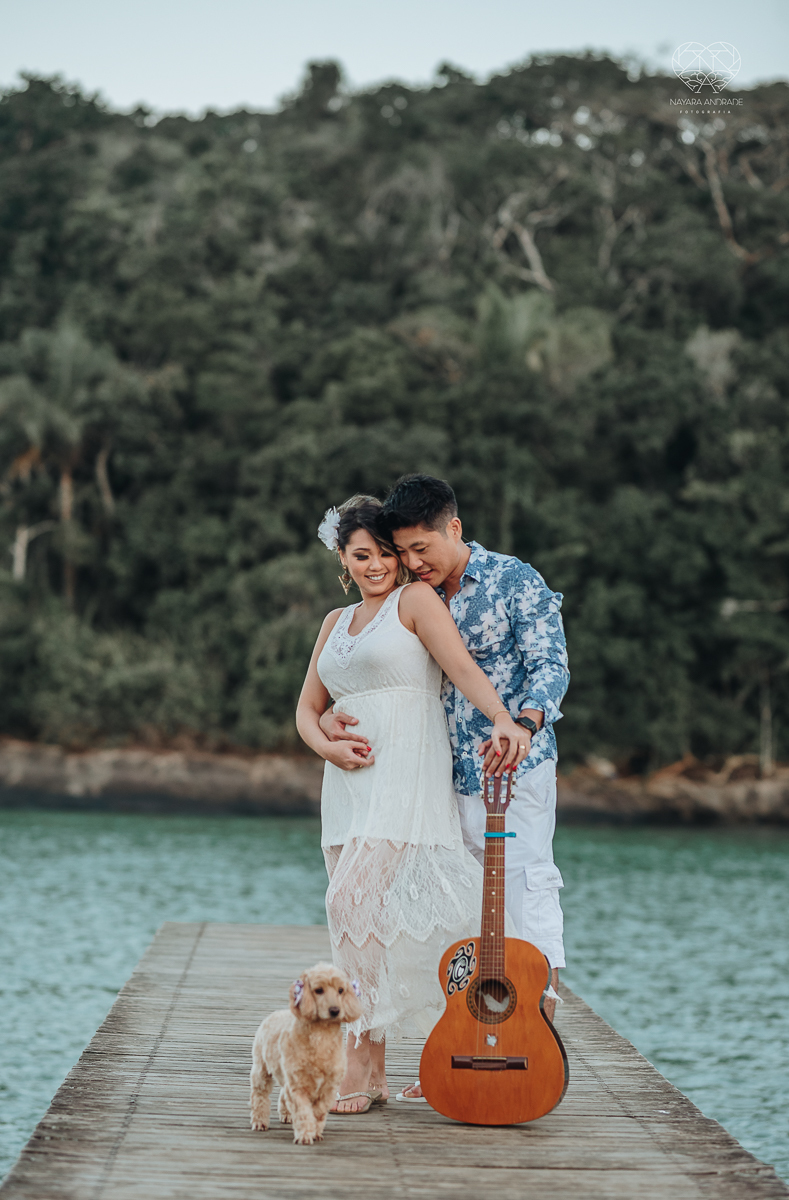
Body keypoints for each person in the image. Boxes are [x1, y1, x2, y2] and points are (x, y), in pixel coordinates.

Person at [322, 475, 569, 1101]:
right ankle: (459, 1047)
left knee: (518, 891)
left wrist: (523, 723)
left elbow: (549, 665)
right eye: (401, 550)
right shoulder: (410, 594)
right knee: (457, 916)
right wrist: (327, 719)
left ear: (453, 528)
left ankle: (530, 1029)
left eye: (419, 548)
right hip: (436, 774)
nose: (411, 561)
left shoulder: (513, 581)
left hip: (510, 767)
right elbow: (372, 675)